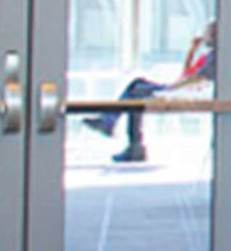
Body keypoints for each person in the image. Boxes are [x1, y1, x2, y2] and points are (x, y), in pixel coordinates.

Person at [87, 21, 215, 163]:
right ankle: (117, 130)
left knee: (136, 93)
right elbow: (186, 74)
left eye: (207, 33)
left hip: (183, 90)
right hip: (180, 87)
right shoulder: (207, 56)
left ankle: (126, 138)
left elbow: (199, 79)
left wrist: (172, 89)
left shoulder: (214, 57)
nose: (203, 36)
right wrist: (192, 50)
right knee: (137, 85)